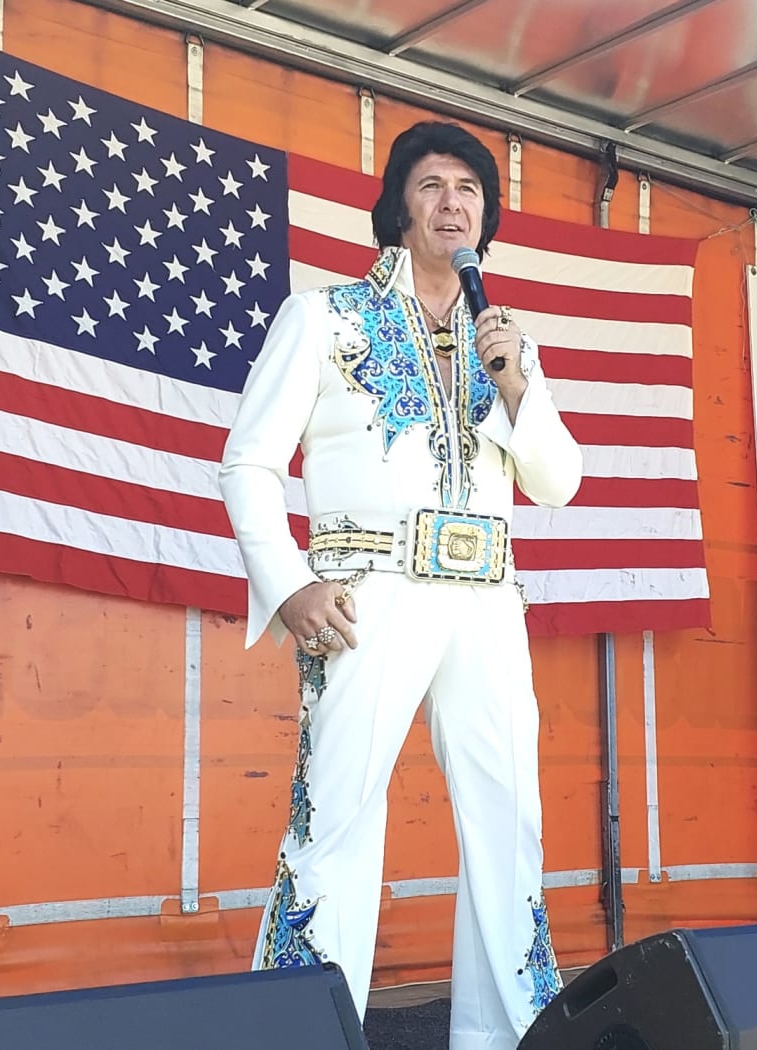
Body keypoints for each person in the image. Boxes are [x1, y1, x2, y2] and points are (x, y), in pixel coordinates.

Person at [218, 120, 583, 1050]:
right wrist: (290, 585)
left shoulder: (505, 344)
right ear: (397, 206)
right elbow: (248, 463)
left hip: (489, 603)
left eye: (468, 188)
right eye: (431, 185)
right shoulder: (326, 317)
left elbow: (560, 482)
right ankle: (303, 1032)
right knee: (336, 818)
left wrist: (516, 388)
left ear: (485, 216)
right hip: (366, 591)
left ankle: (509, 1035)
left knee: (511, 822)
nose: (452, 201)